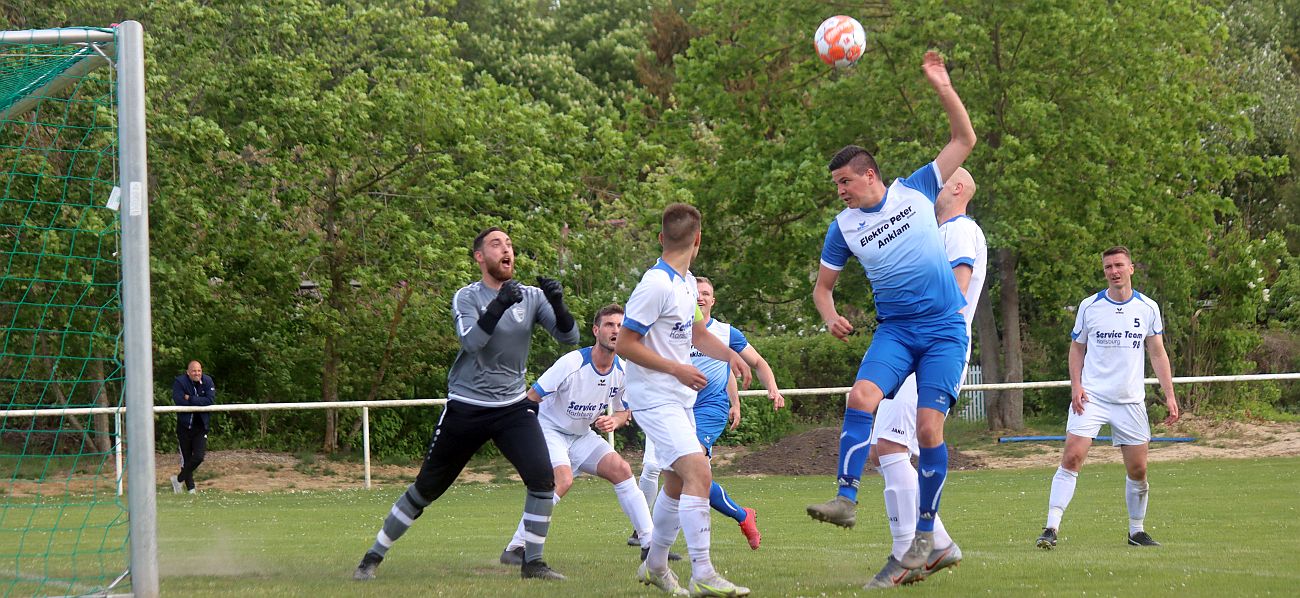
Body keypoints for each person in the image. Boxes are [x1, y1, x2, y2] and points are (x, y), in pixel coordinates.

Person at [805, 50, 977, 576]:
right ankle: (845, 499)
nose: (839, 192)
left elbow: (963, 140)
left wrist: (943, 87)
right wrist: (829, 314)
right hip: (897, 331)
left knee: (928, 430)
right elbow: (823, 287)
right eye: (837, 186)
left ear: (870, 175)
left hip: (945, 330)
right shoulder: (844, 226)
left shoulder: (916, 188)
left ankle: (927, 535)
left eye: (845, 183)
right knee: (861, 397)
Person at [353, 226, 579, 582]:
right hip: (467, 406)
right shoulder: (467, 297)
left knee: (542, 479)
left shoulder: (531, 296)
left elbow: (570, 337)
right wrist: (500, 303)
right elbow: (472, 342)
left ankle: (532, 563)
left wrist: (558, 303)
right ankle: (372, 557)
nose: (506, 249)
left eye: (509, 244)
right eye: (496, 244)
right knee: (426, 488)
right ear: (480, 257)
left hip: (511, 408)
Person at [616, 202, 754, 597]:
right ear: (697, 239)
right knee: (699, 473)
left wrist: (731, 355)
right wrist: (676, 369)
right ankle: (703, 571)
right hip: (654, 398)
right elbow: (626, 343)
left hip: (679, 399)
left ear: (663, 238)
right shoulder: (655, 284)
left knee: (676, 483)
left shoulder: (688, 283)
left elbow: (695, 333)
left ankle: (655, 565)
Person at [860, 168, 984, 588]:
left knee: (891, 444)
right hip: (923, 346)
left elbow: (957, 288)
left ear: (959, 188)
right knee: (884, 447)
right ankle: (936, 543)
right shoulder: (940, 231)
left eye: (943, 181)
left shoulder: (959, 231)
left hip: (931, 346)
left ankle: (908, 553)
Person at [1036, 246, 1180, 550]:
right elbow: (1077, 348)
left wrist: (1169, 395)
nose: (1113, 271)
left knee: (1138, 470)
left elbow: (1157, 352)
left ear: (1130, 269)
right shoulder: (1089, 306)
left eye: (1118, 265)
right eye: (1107, 267)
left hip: (1130, 401)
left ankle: (1136, 531)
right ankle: (1050, 527)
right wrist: (1076, 385)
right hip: (1092, 397)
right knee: (1072, 456)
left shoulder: (1148, 307)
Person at [632, 277, 784, 553]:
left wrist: (771, 389)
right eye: (696, 293)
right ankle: (741, 515)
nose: (700, 297)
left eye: (706, 294)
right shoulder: (676, 332)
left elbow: (756, 363)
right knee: (685, 475)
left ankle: (660, 546)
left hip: (709, 409)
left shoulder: (726, 333)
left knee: (687, 468)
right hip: (676, 407)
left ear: (713, 300)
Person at [497, 304, 657, 565]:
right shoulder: (572, 363)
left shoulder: (624, 371)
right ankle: (517, 547)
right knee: (562, 479)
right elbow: (531, 399)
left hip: (580, 435)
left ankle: (650, 544)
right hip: (549, 429)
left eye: (620, 326)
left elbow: (623, 412)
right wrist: (521, 437)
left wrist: (613, 422)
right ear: (596, 330)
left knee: (622, 469)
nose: (615, 330)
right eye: (609, 325)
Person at [170, 360, 215, 495]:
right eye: (194, 371)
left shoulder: (207, 381)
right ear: (188, 372)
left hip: (201, 426)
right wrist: (196, 400)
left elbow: (209, 400)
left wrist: (191, 398)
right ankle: (191, 490)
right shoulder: (180, 382)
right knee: (187, 458)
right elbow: (179, 400)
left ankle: (178, 479)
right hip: (184, 426)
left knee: (199, 457)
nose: (197, 373)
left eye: (199, 371)